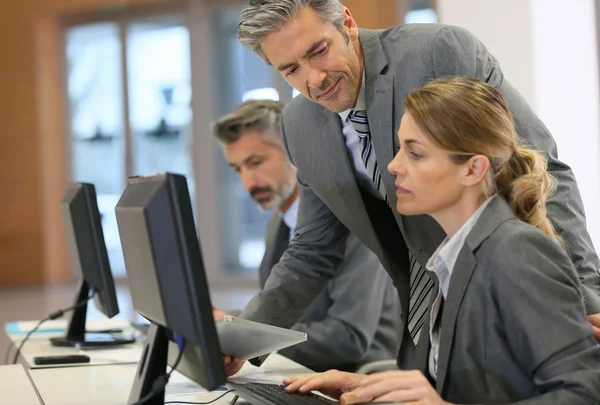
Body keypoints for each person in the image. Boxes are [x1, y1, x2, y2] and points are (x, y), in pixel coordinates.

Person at [223, 0, 600, 375]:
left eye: (318, 51)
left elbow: (539, 170)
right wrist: (237, 340)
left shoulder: (437, 54)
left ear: (347, 24)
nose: (314, 79)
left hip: (509, 300)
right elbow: (312, 250)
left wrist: (587, 295)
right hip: (423, 328)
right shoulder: (299, 124)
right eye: (291, 69)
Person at [283, 76, 600, 405]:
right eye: (399, 149)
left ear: (472, 170)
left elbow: (584, 394)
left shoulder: (517, 251)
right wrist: (367, 387)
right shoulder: (456, 254)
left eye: (415, 154)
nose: (393, 166)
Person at [212, 99, 399, 372]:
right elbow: (286, 314)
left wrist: (249, 338)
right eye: (238, 169)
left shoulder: (353, 223)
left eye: (256, 162)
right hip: (302, 372)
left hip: (358, 378)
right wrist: (229, 324)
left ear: (294, 152)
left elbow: (349, 338)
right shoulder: (279, 224)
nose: (247, 183)